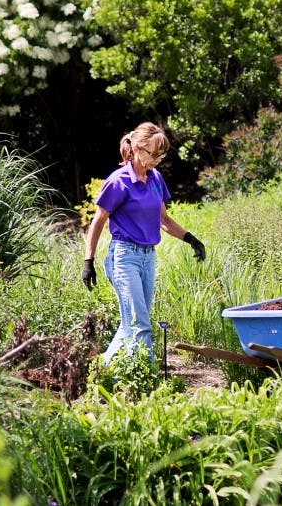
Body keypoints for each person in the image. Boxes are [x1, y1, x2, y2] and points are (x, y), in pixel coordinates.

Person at [81, 122, 206, 363]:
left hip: (148, 257)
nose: (158, 159)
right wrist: (89, 261)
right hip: (124, 258)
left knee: (133, 321)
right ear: (137, 149)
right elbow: (97, 222)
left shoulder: (156, 178)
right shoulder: (118, 182)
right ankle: (147, 382)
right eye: (153, 153)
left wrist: (191, 240)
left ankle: (101, 371)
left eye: (162, 154)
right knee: (140, 323)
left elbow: (164, 220)